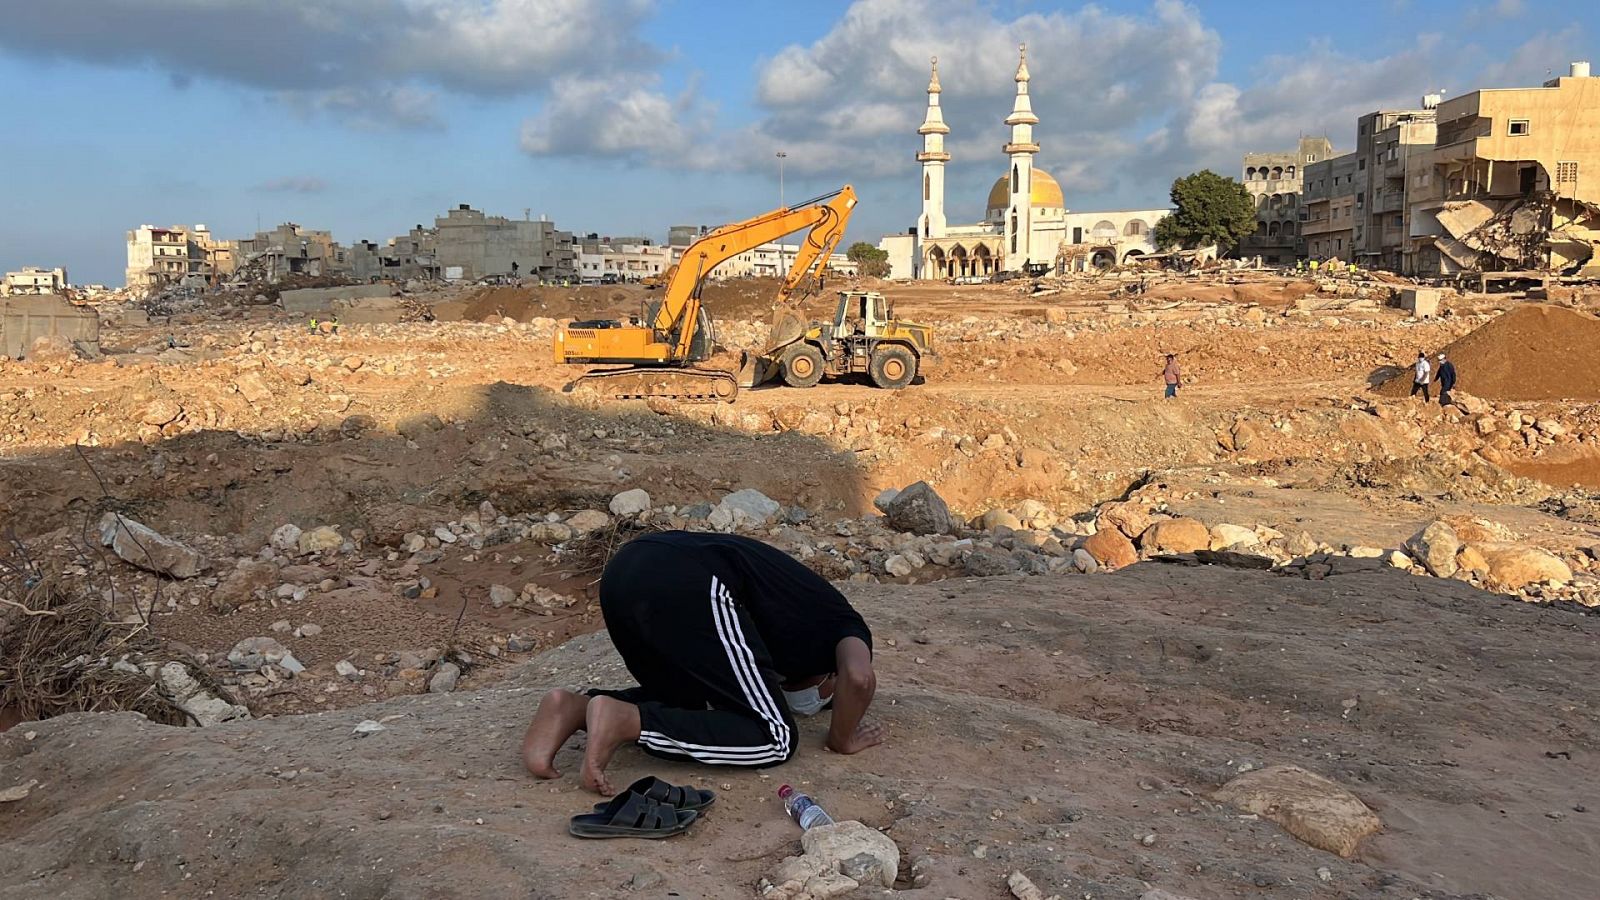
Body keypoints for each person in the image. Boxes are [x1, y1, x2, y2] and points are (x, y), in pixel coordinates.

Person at [521, 531, 882, 795]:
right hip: (692, 581)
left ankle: (574, 709)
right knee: (775, 738)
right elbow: (859, 676)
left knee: (690, 707)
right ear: (829, 677)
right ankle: (626, 721)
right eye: (829, 694)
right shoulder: (843, 624)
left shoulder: (791, 627)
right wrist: (841, 738)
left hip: (626, 570)